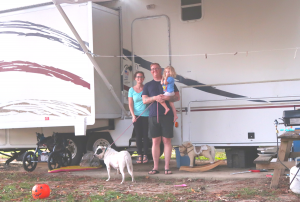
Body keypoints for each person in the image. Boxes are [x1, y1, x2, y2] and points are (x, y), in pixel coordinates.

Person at [142, 63, 180, 175]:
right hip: (153, 115)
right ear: (151, 71)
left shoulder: (169, 80)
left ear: (160, 70)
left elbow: (177, 97)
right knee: (155, 141)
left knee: (167, 141)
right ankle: (155, 167)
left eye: (156, 69)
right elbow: (144, 100)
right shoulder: (148, 85)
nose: (154, 70)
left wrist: (166, 97)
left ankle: (167, 167)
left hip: (167, 116)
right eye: (152, 69)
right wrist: (155, 98)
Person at [128, 71, 149, 164]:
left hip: (146, 115)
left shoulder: (146, 88)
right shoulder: (131, 90)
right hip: (136, 116)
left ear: (143, 78)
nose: (139, 78)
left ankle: (145, 155)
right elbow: (130, 104)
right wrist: (133, 116)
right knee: (138, 136)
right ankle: (139, 155)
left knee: (145, 136)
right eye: (138, 77)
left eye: (141, 77)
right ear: (135, 78)